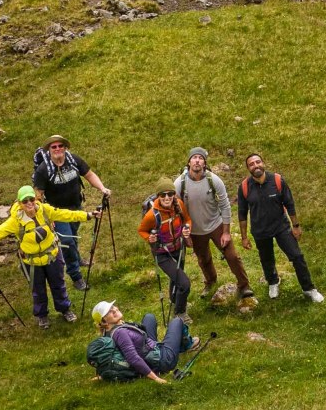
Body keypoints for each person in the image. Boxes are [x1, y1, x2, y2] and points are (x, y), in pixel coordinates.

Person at [0, 185, 91, 326]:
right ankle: (42, 316)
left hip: (52, 256)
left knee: (58, 285)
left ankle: (65, 310)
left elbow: (66, 214)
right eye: (25, 201)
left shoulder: (45, 210)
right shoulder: (15, 221)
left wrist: (88, 215)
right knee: (37, 290)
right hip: (31, 262)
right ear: (19, 203)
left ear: (35, 198)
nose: (29, 203)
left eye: (31, 199)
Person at [237, 152, 322, 302]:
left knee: (297, 256)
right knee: (266, 259)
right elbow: (242, 214)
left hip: (281, 227)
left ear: (263, 163)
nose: (255, 165)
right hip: (260, 230)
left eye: (258, 162)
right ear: (248, 169)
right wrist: (244, 237)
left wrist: (296, 226)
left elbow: (289, 204)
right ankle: (273, 282)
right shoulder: (244, 186)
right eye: (251, 164)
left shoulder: (277, 180)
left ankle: (309, 288)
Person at [174, 147, 254, 304]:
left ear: (204, 163)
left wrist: (226, 232)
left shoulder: (214, 180)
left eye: (200, 158)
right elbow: (176, 211)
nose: (197, 160)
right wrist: (186, 233)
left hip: (216, 225)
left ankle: (244, 285)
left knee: (232, 256)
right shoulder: (179, 184)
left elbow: (225, 205)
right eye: (194, 158)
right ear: (189, 162)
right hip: (195, 230)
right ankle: (210, 282)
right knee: (203, 259)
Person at [32, 134, 111, 286]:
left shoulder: (73, 160)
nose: (57, 149)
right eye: (53, 147)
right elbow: (38, 196)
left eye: (60, 146)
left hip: (76, 207)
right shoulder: (43, 170)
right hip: (57, 213)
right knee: (67, 241)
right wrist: (46, 218)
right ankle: (76, 276)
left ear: (65, 147)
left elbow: (89, 174)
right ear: (49, 150)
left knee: (73, 235)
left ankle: (77, 258)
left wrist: (102, 188)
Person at [88, 300, 192, 383]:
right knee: (177, 321)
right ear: (104, 321)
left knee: (149, 317)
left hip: (146, 348)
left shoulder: (107, 332)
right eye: (109, 312)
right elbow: (132, 358)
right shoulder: (120, 333)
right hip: (161, 360)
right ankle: (187, 345)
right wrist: (156, 378)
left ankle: (176, 345)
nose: (114, 309)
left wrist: (100, 376)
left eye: (112, 307)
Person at [138, 183, 194, 317]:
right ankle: (180, 313)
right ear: (158, 196)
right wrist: (149, 238)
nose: (167, 197)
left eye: (170, 194)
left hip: (179, 248)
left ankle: (175, 300)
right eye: (163, 195)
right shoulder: (152, 215)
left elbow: (187, 220)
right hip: (162, 254)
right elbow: (141, 230)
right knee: (184, 283)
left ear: (174, 195)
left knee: (176, 278)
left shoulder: (179, 204)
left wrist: (187, 229)